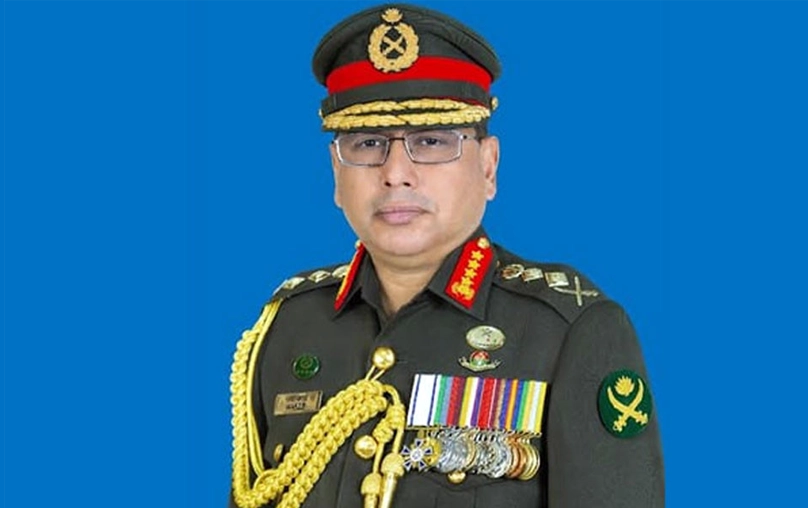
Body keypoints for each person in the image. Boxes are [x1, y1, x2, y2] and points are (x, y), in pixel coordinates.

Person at [228, 4, 664, 507]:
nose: (395, 174)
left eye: (431, 141)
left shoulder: (569, 330)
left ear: (489, 166)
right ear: (335, 171)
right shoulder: (289, 324)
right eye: (368, 144)